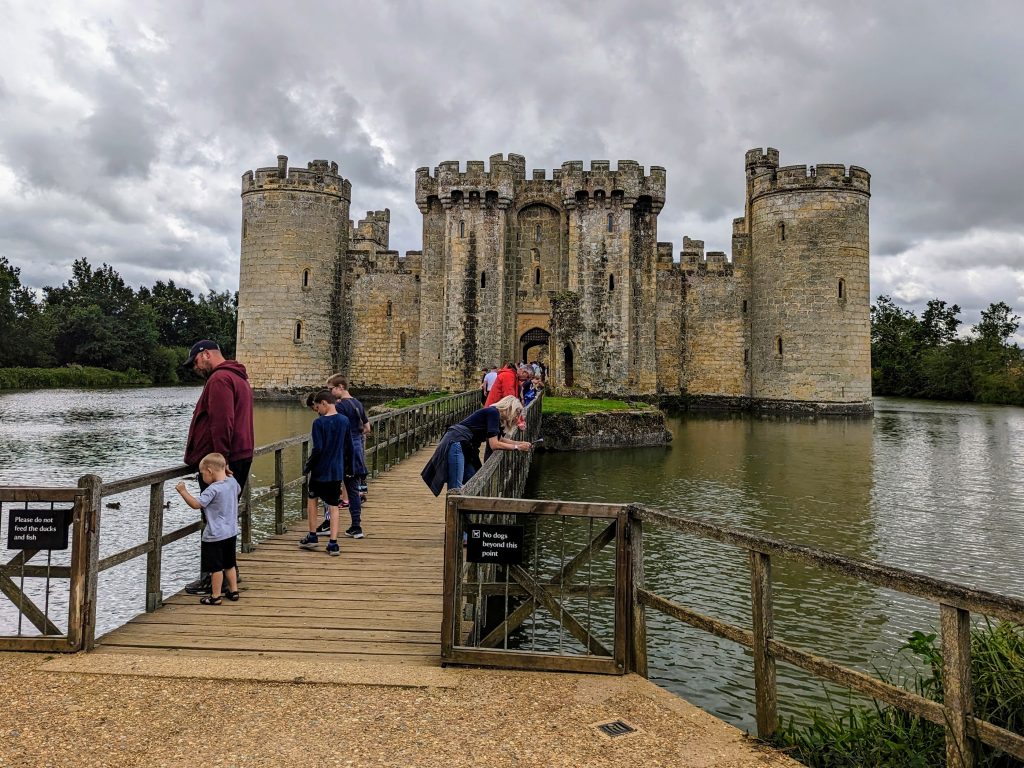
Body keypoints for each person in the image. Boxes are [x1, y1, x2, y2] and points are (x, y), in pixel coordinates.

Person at [182, 340, 254, 596]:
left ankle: (210, 579)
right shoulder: (238, 377)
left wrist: (220, 462)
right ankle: (227, 572)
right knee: (225, 519)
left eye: (195, 362)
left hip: (223, 463)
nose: (195, 368)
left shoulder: (220, 379)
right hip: (238, 456)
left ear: (206, 354)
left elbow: (222, 422)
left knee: (213, 521)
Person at [421, 395, 533, 496]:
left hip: (467, 446)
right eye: (517, 414)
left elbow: (500, 439)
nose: (516, 418)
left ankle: (466, 514)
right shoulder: (493, 413)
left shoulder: (495, 415)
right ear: (511, 409)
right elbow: (494, 444)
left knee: (473, 479)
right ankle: (455, 514)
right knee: (456, 485)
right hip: (457, 442)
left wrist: (520, 443)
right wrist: (517, 447)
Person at [175, 453, 240, 605]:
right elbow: (237, 489)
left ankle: (215, 596)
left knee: (216, 568)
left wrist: (183, 491)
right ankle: (234, 591)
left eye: (202, 474)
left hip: (215, 535)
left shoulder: (212, 490)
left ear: (210, 471)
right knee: (229, 564)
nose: (202, 477)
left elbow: (196, 504)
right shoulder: (232, 482)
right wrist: (227, 473)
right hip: (231, 532)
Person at [298, 390, 351, 556]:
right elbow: (348, 447)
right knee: (334, 505)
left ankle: (313, 536)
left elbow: (318, 448)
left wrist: (308, 465)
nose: (317, 410)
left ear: (324, 404)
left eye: (317, 406)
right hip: (336, 471)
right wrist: (348, 468)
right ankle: (333, 543)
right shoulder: (344, 421)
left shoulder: (319, 423)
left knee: (312, 499)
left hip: (321, 470)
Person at [326, 373, 368, 538]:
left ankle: (327, 524)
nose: (330, 392)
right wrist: (356, 436)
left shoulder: (340, 407)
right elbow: (367, 427)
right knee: (353, 489)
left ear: (340, 387)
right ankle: (356, 527)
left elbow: (335, 428)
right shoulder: (357, 403)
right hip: (357, 450)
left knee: (330, 488)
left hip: (344, 452)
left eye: (331, 389)